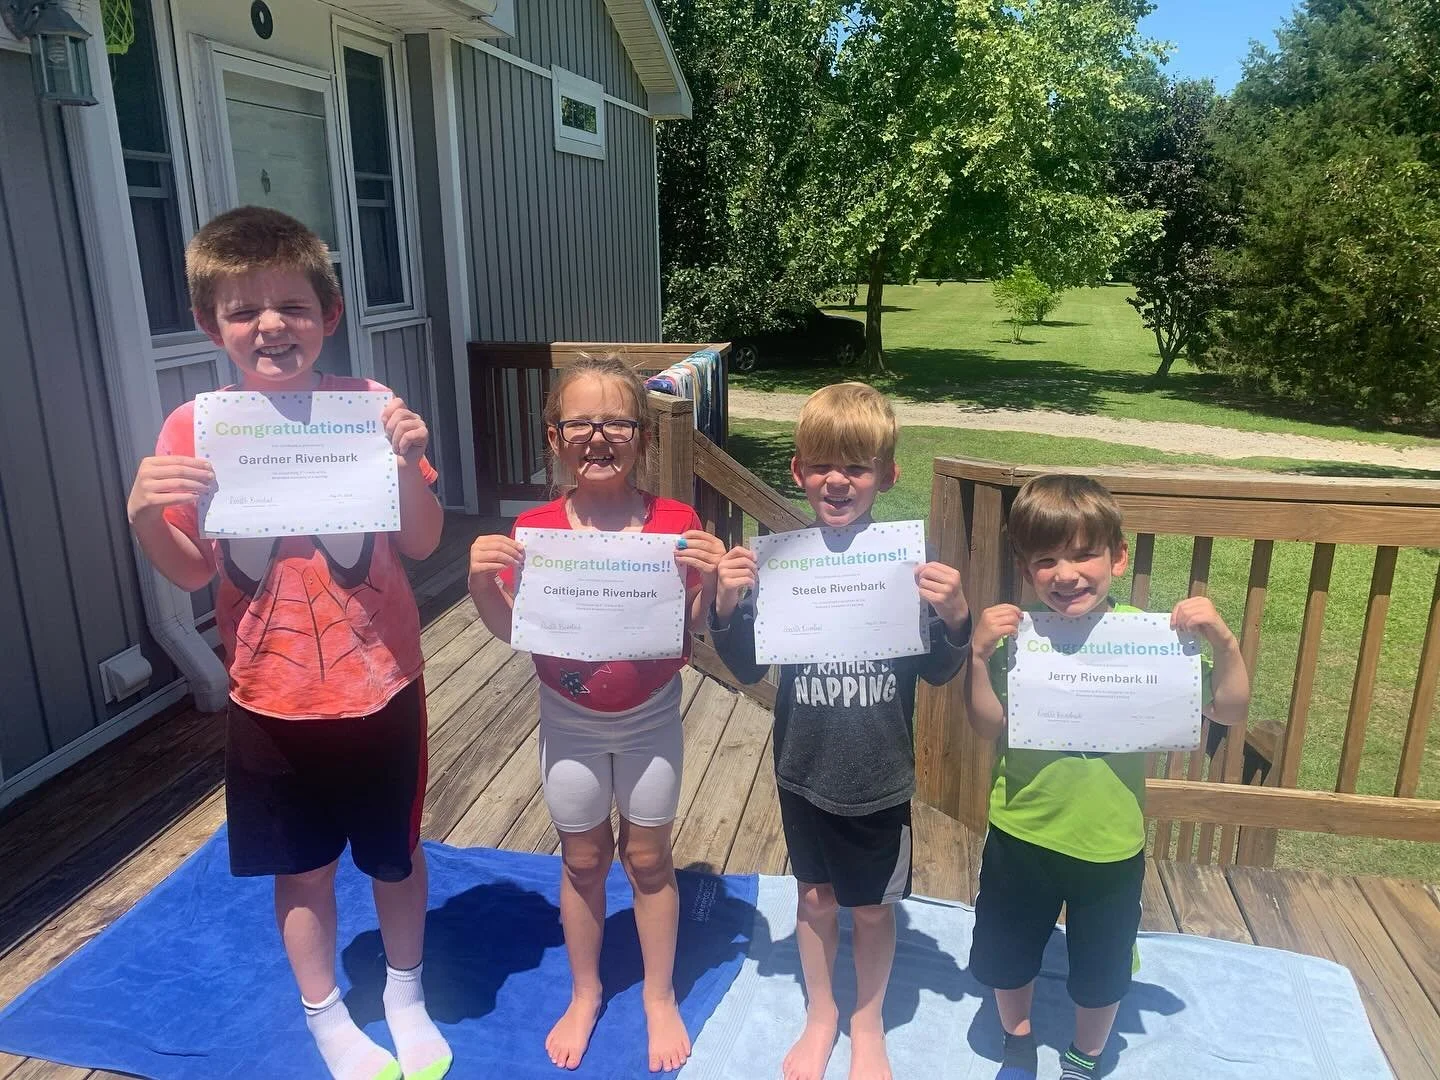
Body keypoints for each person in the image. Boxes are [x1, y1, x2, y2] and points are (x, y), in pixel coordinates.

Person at [126, 207, 450, 1080]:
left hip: (384, 682)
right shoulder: (194, 427)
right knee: (300, 870)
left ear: (330, 314)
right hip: (267, 694)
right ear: (210, 325)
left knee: (396, 853)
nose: (271, 325)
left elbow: (421, 541)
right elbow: (193, 572)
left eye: (294, 307)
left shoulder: (373, 408)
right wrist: (142, 514)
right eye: (244, 311)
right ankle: (325, 1014)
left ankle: (405, 992)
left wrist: (411, 462)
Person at [466, 355, 725, 1073]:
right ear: (555, 438)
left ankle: (658, 995)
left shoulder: (677, 521)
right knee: (582, 859)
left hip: (650, 715)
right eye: (579, 422)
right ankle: (585, 991)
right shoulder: (535, 528)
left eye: (615, 422)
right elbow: (512, 627)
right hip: (567, 717)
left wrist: (710, 577)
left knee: (647, 857)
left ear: (641, 437)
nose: (598, 436)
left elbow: (695, 623)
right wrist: (481, 582)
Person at [707, 382, 972, 1080]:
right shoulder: (782, 563)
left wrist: (954, 620)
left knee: (875, 913)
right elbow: (741, 666)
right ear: (797, 471)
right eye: (822, 463)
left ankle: (867, 1022)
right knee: (816, 899)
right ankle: (823, 1013)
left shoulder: (906, 566)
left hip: (879, 777)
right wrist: (728, 602)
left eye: (856, 466)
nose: (837, 479)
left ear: (888, 475)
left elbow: (942, 672)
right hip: (802, 768)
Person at [964, 474, 1250, 1080]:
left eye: (1082, 553)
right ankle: (1017, 1042)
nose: (1065, 574)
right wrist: (979, 658)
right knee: (1006, 952)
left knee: (1102, 966)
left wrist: (1223, 642)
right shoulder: (1020, 640)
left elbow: (1227, 709)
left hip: (1110, 843)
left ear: (1117, 557)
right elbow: (986, 726)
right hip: (1020, 830)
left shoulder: (1154, 640)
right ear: (1026, 570)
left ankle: (1083, 1058)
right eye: (1046, 560)